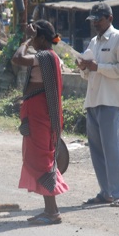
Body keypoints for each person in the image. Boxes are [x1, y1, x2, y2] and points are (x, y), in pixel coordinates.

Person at [76, 2, 119, 207]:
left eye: (98, 20)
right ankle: (106, 191)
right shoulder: (93, 42)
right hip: (93, 100)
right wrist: (84, 67)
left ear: (109, 18)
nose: (95, 24)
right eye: (93, 21)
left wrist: (97, 67)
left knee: (113, 149)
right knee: (97, 150)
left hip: (110, 100)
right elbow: (88, 74)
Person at [11, 19, 69, 225]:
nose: (33, 42)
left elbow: (17, 58)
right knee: (40, 158)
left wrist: (26, 39)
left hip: (39, 115)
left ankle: (52, 212)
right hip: (38, 113)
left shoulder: (44, 56)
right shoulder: (51, 57)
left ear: (42, 39)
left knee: (42, 161)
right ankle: (48, 210)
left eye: (35, 37)